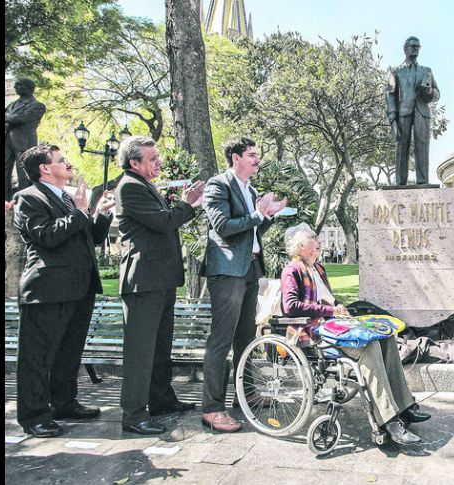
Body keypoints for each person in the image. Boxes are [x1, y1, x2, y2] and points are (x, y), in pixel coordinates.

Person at [280, 223, 431, 445]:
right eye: (313, 238)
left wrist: (340, 308)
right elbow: (291, 306)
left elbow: (330, 299)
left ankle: (404, 406)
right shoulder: (291, 270)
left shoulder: (318, 269)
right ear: (301, 246)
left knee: (385, 336)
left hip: (336, 326)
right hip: (316, 333)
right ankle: (389, 420)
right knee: (368, 348)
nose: (318, 241)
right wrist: (331, 311)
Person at [13, 143, 115, 438]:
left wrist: (100, 215)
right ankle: (34, 416)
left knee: (68, 353)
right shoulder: (28, 198)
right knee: (37, 357)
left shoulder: (69, 201)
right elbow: (46, 237)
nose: (68, 164)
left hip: (79, 289)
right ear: (45, 168)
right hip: (46, 290)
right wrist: (81, 212)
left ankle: (64, 403)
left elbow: (89, 238)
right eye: (62, 160)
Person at [115, 136, 206, 435]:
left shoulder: (145, 185)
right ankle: (134, 415)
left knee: (159, 348)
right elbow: (164, 223)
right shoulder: (129, 186)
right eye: (152, 158)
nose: (159, 162)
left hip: (160, 280)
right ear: (135, 163)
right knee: (140, 352)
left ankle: (161, 400)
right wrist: (187, 204)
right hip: (143, 282)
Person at [200, 137, 287, 432]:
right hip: (227, 272)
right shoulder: (217, 185)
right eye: (252, 155)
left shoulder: (252, 190)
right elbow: (222, 226)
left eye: (257, 155)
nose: (257, 159)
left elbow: (253, 228)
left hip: (250, 269)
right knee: (221, 339)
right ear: (235, 158)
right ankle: (212, 409)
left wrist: (268, 216)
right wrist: (257, 214)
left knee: (246, 338)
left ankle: (245, 394)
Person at [386, 36, 440, 186]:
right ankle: (400, 182)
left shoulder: (426, 71)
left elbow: (437, 94)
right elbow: (390, 95)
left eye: (418, 46)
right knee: (401, 147)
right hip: (403, 112)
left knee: (423, 146)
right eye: (413, 46)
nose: (416, 48)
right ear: (405, 48)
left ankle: (423, 181)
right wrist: (392, 120)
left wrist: (429, 92)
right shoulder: (395, 70)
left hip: (422, 112)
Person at [6, 77, 47, 201]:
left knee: (23, 173)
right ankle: (7, 199)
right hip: (7, 140)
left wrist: (9, 117)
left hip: (24, 142)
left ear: (29, 88)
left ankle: (22, 200)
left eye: (18, 85)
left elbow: (21, 118)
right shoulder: (12, 105)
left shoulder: (38, 106)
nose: (15, 88)